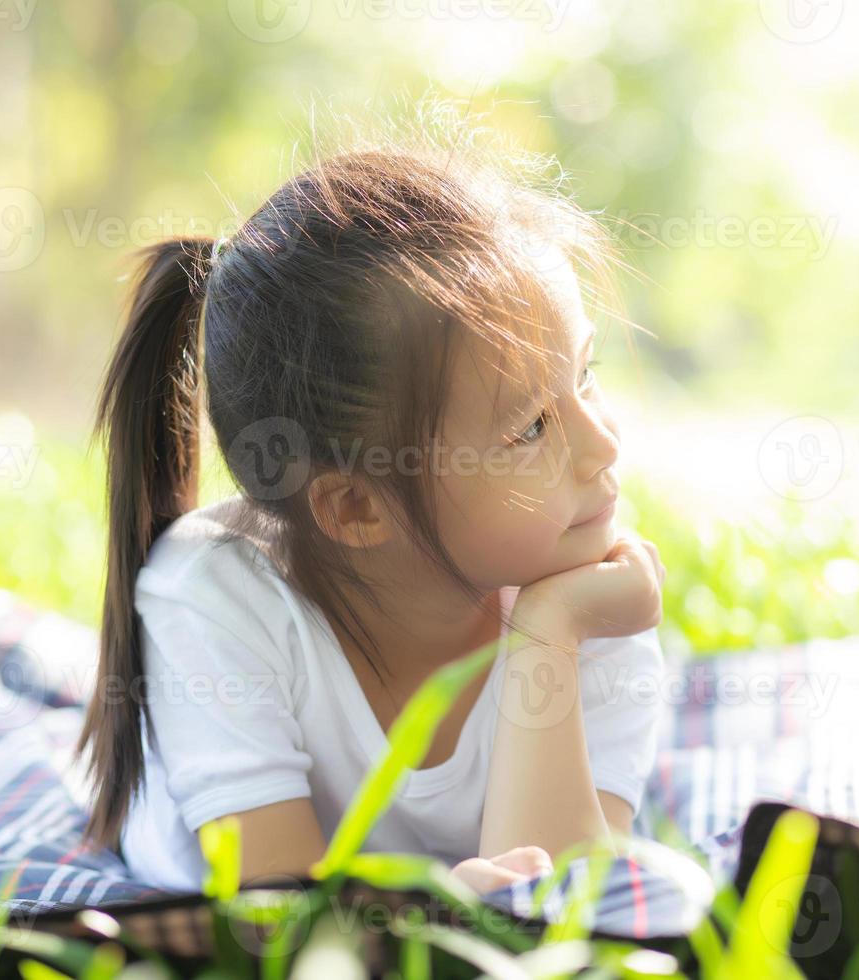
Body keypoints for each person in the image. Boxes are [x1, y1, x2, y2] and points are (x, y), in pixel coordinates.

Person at [76, 123, 667, 896]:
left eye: (584, 375)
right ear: (355, 507)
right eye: (529, 426)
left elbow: (566, 919)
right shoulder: (214, 596)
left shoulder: (591, 607)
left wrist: (545, 634)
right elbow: (283, 924)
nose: (604, 445)